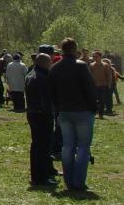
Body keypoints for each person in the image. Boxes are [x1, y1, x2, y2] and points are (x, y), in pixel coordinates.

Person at [48, 37, 98, 193]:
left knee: (67, 147)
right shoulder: (81, 66)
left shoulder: (54, 68)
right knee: (83, 147)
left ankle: (69, 181)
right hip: (82, 111)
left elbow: (52, 92)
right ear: (74, 49)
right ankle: (78, 181)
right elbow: (90, 89)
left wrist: (58, 108)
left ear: (62, 49)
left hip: (64, 112)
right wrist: (93, 107)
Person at [25, 54, 57, 187]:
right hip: (41, 115)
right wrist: (50, 115)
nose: (51, 64)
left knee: (36, 145)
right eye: (49, 62)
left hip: (32, 112)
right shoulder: (42, 78)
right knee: (43, 146)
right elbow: (45, 100)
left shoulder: (30, 74)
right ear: (44, 63)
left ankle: (38, 174)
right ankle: (41, 177)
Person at [89, 51, 112, 118]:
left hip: (103, 85)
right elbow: (89, 75)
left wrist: (109, 83)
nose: (95, 58)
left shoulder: (105, 65)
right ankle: (94, 112)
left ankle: (101, 114)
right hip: (94, 85)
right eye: (93, 56)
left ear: (100, 57)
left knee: (102, 100)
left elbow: (109, 75)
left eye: (96, 56)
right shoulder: (91, 65)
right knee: (94, 99)